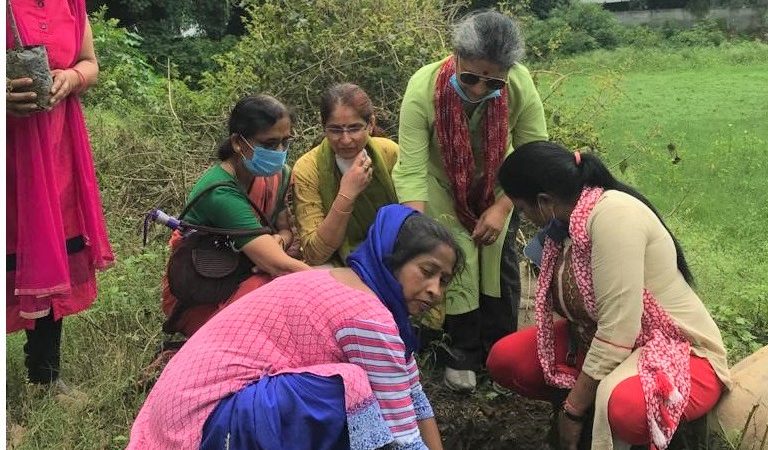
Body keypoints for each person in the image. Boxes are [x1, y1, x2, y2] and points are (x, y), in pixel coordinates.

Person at [127, 204, 463, 450]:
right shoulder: (370, 318)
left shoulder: (344, 281)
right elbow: (404, 435)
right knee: (350, 387)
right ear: (392, 259)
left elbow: (413, 396)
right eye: (426, 271)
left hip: (179, 411)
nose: (435, 289)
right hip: (201, 424)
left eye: (443, 280)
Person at [486, 141, 731, 449]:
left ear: (545, 201)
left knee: (626, 410)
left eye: (522, 210)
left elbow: (619, 330)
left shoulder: (614, 216)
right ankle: (588, 403)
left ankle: (601, 419)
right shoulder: (565, 224)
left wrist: (573, 412)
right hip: (598, 339)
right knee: (508, 360)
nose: (524, 218)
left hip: (673, 346)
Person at [392, 10, 548, 391]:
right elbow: (411, 167)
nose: (479, 89)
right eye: (470, 77)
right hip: (440, 184)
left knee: (497, 260)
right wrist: (421, 231)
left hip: (499, 182)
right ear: (455, 57)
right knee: (453, 254)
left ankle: (498, 353)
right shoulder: (422, 88)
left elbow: (533, 154)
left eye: (492, 80)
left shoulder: (519, 84)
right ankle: (460, 353)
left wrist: (502, 206)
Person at [6, 0, 113, 388]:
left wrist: (72, 79)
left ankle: (44, 375)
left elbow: (89, 62)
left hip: (55, 150)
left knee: (51, 251)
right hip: (8, 151)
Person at [161, 94, 310, 337]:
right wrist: (335, 286)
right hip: (206, 290)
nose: (280, 151)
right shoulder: (219, 193)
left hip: (249, 270)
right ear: (238, 143)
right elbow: (277, 265)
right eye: (270, 144)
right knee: (281, 296)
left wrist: (280, 241)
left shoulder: (278, 175)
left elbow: (284, 229)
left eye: (285, 142)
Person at [292, 83, 399, 266]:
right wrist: (346, 195)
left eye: (355, 128)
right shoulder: (308, 169)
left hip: (396, 255)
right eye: (335, 130)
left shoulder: (389, 153)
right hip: (339, 263)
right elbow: (314, 253)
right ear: (324, 127)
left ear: (371, 124)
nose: (345, 140)